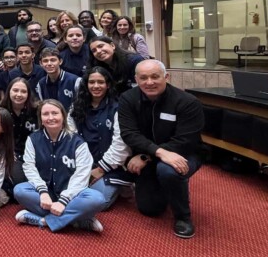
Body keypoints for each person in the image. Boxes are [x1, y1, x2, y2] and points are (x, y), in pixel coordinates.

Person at [119, 60, 204, 239]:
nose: (149, 82)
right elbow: (129, 134)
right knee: (150, 209)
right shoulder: (128, 99)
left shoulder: (188, 102)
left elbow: (186, 140)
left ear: (166, 77)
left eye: (155, 77)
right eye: (143, 78)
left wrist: (146, 156)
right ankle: (164, 187)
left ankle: (183, 217)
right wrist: (156, 153)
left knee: (168, 170)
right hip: (149, 155)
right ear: (136, 79)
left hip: (183, 153)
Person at [14, 100, 106, 233]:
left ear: (63, 116)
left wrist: (63, 201)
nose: (50, 117)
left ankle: (44, 221)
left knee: (97, 199)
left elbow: (82, 175)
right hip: (46, 195)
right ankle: (78, 220)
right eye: (46, 114)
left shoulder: (78, 142)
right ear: (41, 118)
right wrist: (43, 192)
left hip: (73, 195)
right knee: (20, 190)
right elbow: (29, 168)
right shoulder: (33, 139)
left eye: (55, 113)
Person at [69, 67, 132, 210]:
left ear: (108, 85)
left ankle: (118, 186)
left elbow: (121, 145)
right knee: (60, 189)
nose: (96, 86)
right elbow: (70, 135)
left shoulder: (118, 108)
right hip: (83, 162)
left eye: (100, 82)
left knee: (98, 202)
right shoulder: (76, 106)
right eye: (92, 82)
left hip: (110, 167)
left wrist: (101, 169)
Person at [0, 77, 38, 194]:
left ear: (29, 94)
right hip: (11, 155)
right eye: (15, 90)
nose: (19, 94)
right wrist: (4, 151)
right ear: (9, 91)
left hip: (34, 154)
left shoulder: (37, 110)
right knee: (20, 183)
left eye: (23, 91)